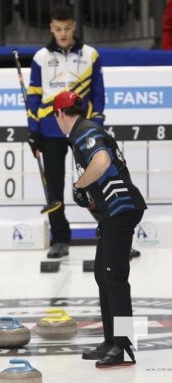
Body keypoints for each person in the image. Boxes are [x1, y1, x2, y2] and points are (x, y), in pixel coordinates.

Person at [53, 91, 146, 368]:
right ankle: (111, 340)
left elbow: (102, 160)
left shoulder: (84, 132)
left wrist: (79, 185)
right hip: (111, 214)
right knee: (103, 275)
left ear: (59, 114)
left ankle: (123, 345)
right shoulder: (83, 131)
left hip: (120, 211)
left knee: (114, 278)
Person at [26, 4, 106, 259]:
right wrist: (33, 130)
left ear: (74, 26)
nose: (63, 33)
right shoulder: (40, 57)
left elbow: (98, 93)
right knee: (54, 188)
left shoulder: (91, 54)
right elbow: (34, 96)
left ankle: (109, 230)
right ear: (51, 28)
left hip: (82, 129)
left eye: (67, 28)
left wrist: (97, 124)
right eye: (58, 29)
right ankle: (60, 238)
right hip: (50, 130)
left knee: (95, 180)